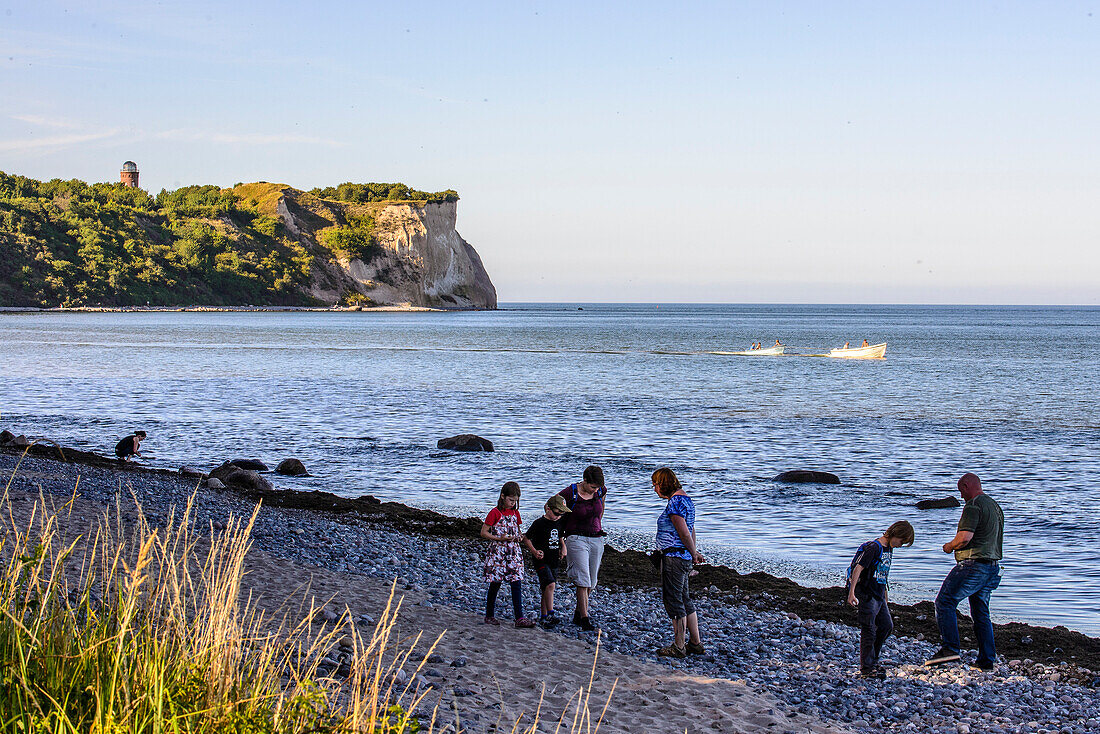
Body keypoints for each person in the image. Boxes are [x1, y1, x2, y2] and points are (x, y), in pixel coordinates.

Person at [925, 473, 1005, 670]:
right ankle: (987, 660)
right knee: (980, 613)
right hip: (993, 567)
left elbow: (965, 538)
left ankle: (950, 650)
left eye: (961, 491)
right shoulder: (995, 507)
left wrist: (949, 546)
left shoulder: (973, 505)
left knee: (945, 601)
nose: (961, 497)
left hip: (973, 564)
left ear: (968, 486)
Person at [846, 521, 915, 678]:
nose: (900, 545)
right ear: (895, 534)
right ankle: (867, 668)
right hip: (866, 593)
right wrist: (852, 593)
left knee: (886, 626)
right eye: (901, 541)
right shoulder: (874, 548)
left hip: (879, 594)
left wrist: (885, 597)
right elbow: (858, 568)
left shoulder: (888, 548)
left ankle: (873, 659)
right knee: (869, 629)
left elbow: (883, 573)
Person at [652, 467, 705, 658]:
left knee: (674, 601)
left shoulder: (675, 503)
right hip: (682, 557)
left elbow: (683, 531)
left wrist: (693, 553)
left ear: (664, 484)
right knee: (685, 599)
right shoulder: (687, 500)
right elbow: (691, 530)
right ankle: (695, 643)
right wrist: (693, 552)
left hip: (674, 558)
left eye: (656, 485)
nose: (655, 489)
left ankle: (679, 645)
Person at [480, 482, 536, 628]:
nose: (513, 503)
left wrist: (518, 538)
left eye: (515, 501)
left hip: (513, 553)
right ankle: (489, 615)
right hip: (498, 553)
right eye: (511, 500)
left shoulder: (515, 513)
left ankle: (519, 618)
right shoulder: (495, 513)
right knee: (495, 583)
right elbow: (484, 532)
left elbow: (518, 531)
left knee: (516, 582)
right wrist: (499, 539)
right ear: (503, 496)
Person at [558, 465, 607, 632]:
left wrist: (597, 521)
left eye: (597, 487)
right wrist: (560, 539)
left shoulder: (600, 491)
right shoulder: (569, 492)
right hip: (575, 537)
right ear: (584, 481)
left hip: (596, 537)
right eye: (592, 487)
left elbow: (602, 507)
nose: (595, 490)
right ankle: (585, 619)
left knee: (592, 582)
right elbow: (550, 506)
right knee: (583, 579)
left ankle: (578, 613)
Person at [523, 495, 571, 628]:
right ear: (548, 509)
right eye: (556, 513)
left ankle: (543, 616)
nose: (558, 516)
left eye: (561, 513)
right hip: (541, 560)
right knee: (550, 584)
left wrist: (564, 547)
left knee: (546, 588)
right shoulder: (539, 523)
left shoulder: (559, 522)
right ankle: (550, 613)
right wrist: (534, 551)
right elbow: (526, 538)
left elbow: (560, 537)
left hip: (554, 559)